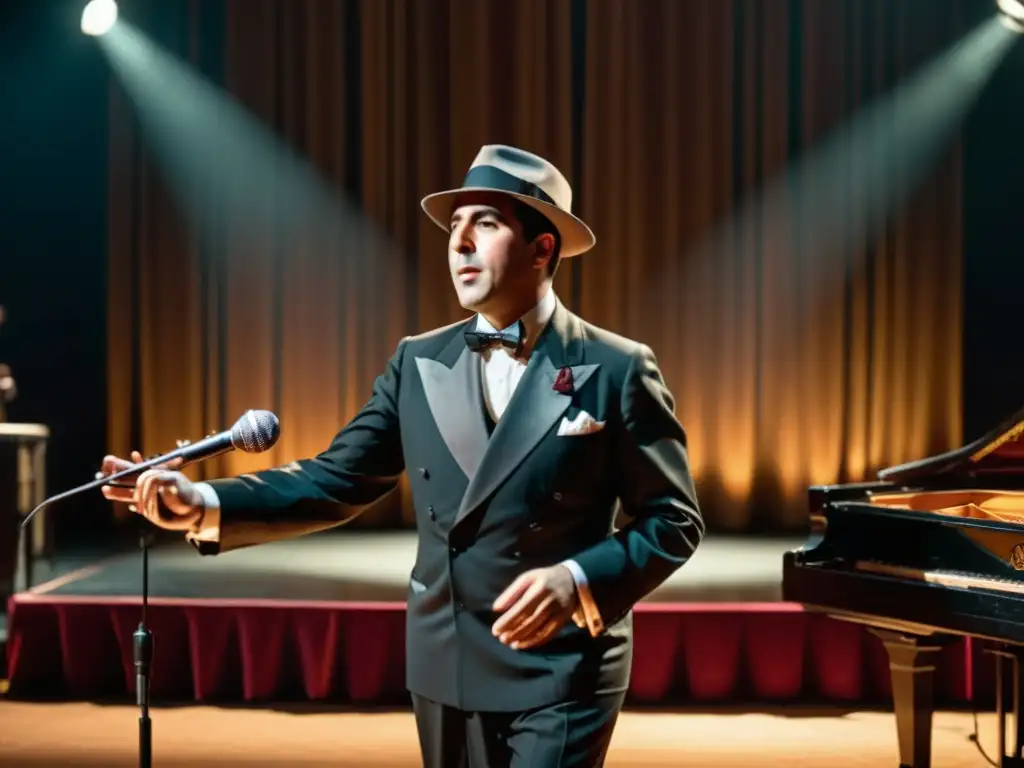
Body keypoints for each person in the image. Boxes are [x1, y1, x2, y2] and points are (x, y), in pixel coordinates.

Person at [99, 145, 704, 767]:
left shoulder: (617, 366)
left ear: (542, 247)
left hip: (564, 664)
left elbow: (674, 519)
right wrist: (200, 501)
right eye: (453, 226)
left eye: (486, 224)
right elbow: (336, 478)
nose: (459, 242)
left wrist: (577, 581)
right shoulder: (417, 361)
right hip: (445, 657)